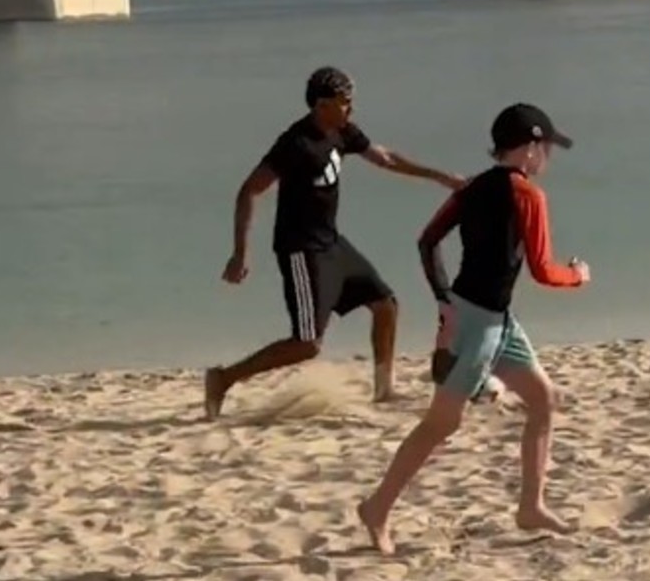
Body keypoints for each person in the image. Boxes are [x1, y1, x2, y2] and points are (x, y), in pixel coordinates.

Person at [357, 102, 591, 555]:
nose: (548, 157)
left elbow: (427, 242)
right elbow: (543, 271)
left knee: (543, 399)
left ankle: (531, 507)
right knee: (441, 424)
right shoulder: (528, 196)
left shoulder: (472, 188)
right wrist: (578, 276)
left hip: (492, 319)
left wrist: (444, 300)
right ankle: (377, 508)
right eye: (547, 148)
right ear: (530, 148)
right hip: (477, 327)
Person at [205, 66, 465, 419]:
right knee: (307, 344)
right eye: (345, 102)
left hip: (332, 243)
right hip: (301, 250)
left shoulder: (343, 131)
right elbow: (249, 191)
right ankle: (223, 379)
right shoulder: (295, 143)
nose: (351, 108)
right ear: (322, 105)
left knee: (386, 305)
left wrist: (440, 177)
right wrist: (240, 253)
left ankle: (384, 391)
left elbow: (385, 158)